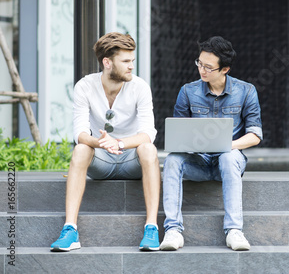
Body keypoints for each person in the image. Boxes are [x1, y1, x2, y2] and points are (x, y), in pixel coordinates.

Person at [50, 32, 161, 252]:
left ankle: (151, 228)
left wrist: (118, 143)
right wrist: (100, 143)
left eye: (132, 61)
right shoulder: (85, 86)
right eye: (126, 61)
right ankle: (70, 230)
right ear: (107, 62)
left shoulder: (140, 87)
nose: (131, 66)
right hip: (101, 159)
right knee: (81, 149)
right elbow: (80, 133)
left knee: (148, 149)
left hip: (131, 160)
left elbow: (148, 133)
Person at [160, 36, 263, 251]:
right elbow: (178, 133)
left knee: (228, 156)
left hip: (228, 161)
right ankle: (173, 230)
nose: (202, 70)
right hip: (198, 162)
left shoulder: (246, 91)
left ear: (224, 69)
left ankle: (234, 231)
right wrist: (189, 145)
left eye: (208, 67)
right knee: (172, 160)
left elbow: (255, 135)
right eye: (199, 63)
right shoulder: (188, 91)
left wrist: (228, 145)